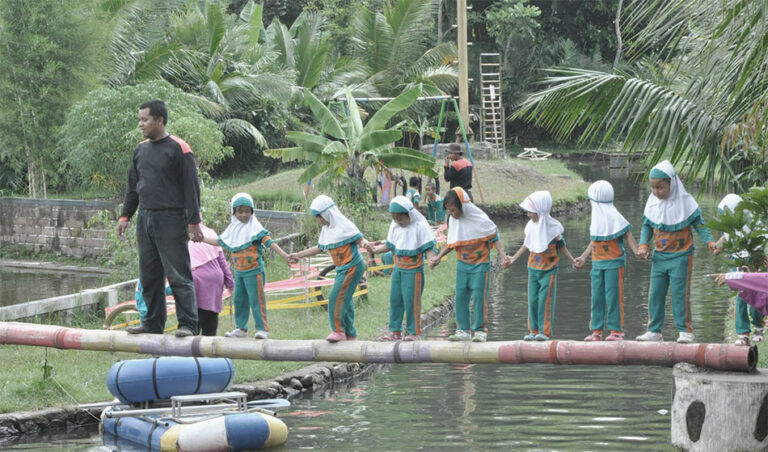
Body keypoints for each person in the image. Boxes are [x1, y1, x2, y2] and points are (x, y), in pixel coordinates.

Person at [117, 99, 203, 337]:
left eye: (145, 120)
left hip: (171, 218)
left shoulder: (179, 148)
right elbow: (133, 187)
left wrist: (193, 222)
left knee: (178, 274)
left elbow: (191, 188)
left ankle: (188, 325)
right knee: (149, 275)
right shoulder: (140, 149)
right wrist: (125, 216)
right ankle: (152, 323)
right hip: (145, 218)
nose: (141, 124)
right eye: (140, 120)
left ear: (160, 120)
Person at [635, 160, 716, 343]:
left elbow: (700, 226)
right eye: (653, 188)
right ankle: (654, 330)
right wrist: (643, 245)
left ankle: (685, 330)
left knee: (680, 294)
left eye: (661, 187)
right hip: (660, 257)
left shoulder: (686, 202)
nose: (656, 192)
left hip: (682, 256)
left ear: (672, 183)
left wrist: (710, 242)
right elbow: (647, 226)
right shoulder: (652, 203)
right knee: (655, 294)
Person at [202, 193, 290, 340]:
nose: (243, 215)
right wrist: (203, 239)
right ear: (234, 212)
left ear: (252, 212)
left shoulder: (255, 229)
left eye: (247, 211)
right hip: (239, 272)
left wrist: (285, 255)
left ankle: (262, 329)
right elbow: (220, 242)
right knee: (239, 299)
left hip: (254, 272)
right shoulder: (232, 229)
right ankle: (241, 328)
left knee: (257, 300)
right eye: (240, 211)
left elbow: (269, 242)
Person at [429, 187, 508, 342]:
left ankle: (479, 330)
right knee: (461, 296)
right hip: (463, 265)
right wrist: (438, 258)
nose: (452, 214)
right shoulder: (454, 221)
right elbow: (451, 243)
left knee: (479, 296)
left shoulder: (480, 218)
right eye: (449, 211)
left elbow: (494, 237)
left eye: (454, 210)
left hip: (480, 264)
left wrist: (503, 255)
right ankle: (462, 330)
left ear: (463, 206)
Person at [290, 195, 369, 342]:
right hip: (342, 268)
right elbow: (319, 248)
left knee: (335, 297)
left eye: (319, 216)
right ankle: (350, 333)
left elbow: (359, 238)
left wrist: (365, 244)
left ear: (327, 213)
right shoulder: (327, 230)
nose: (318, 220)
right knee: (346, 298)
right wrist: (298, 255)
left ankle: (338, 330)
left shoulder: (344, 225)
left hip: (353, 265)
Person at [506, 191, 578, 341]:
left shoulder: (553, 228)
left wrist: (572, 260)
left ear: (540, 210)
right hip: (533, 269)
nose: (527, 214)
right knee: (532, 300)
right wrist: (512, 259)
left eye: (530, 211)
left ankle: (544, 332)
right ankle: (533, 330)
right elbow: (526, 245)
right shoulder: (531, 226)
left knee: (545, 301)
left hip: (549, 270)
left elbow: (562, 246)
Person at [573, 181, 639, 342]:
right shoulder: (596, 219)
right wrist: (583, 257)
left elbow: (627, 234)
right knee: (596, 297)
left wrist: (637, 251)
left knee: (613, 296)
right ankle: (596, 331)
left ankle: (616, 330)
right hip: (597, 264)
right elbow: (595, 240)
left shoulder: (614, 216)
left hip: (614, 263)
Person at [367, 196, 437, 341]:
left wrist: (431, 259)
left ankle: (414, 332)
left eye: (400, 218)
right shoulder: (395, 226)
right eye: (394, 218)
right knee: (395, 300)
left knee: (411, 301)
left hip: (413, 271)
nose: (398, 222)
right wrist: (374, 249)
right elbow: (389, 245)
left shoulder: (420, 226)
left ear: (409, 215)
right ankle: (395, 332)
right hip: (398, 269)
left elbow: (429, 248)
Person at [713, 194, 764, 345]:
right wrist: (717, 247)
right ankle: (743, 333)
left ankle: (758, 326)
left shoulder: (752, 224)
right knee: (741, 297)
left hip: (753, 262)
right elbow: (724, 239)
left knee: (756, 295)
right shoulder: (731, 229)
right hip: (737, 263)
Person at [190, 222, 234, 336]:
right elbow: (222, 260)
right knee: (210, 322)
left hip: (195, 279)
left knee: (193, 322)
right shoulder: (210, 232)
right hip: (215, 279)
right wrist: (230, 282)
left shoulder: (182, 235)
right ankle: (208, 351)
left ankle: (191, 351)